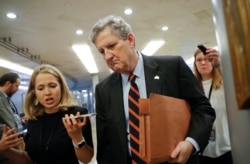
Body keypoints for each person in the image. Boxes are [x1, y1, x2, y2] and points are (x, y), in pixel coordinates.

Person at [89, 14, 215, 164]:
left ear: (130, 40)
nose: (107, 56)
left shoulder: (172, 68)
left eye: (111, 46)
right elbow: (105, 143)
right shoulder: (103, 90)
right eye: (102, 51)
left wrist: (190, 143)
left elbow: (203, 109)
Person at [0, 64, 94, 164]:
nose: (47, 92)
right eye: (40, 88)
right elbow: (29, 160)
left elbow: (86, 159)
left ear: (61, 87)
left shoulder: (76, 115)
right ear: (34, 92)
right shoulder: (34, 119)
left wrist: (77, 138)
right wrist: (4, 149)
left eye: (53, 86)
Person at [193, 47, 232, 164]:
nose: (203, 62)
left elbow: (236, 87)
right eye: (199, 60)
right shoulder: (193, 88)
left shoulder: (224, 84)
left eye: (206, 59)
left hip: (226, 147)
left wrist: (219, 65)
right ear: (195, 64)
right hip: (203, 150)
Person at [0, 72, 24, 163]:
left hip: (12, 149)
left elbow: (8, 117)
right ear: (8, 84)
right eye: (16, 86)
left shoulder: (6, 99)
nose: (17, 89)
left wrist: (19, 120)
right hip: (4, 151)